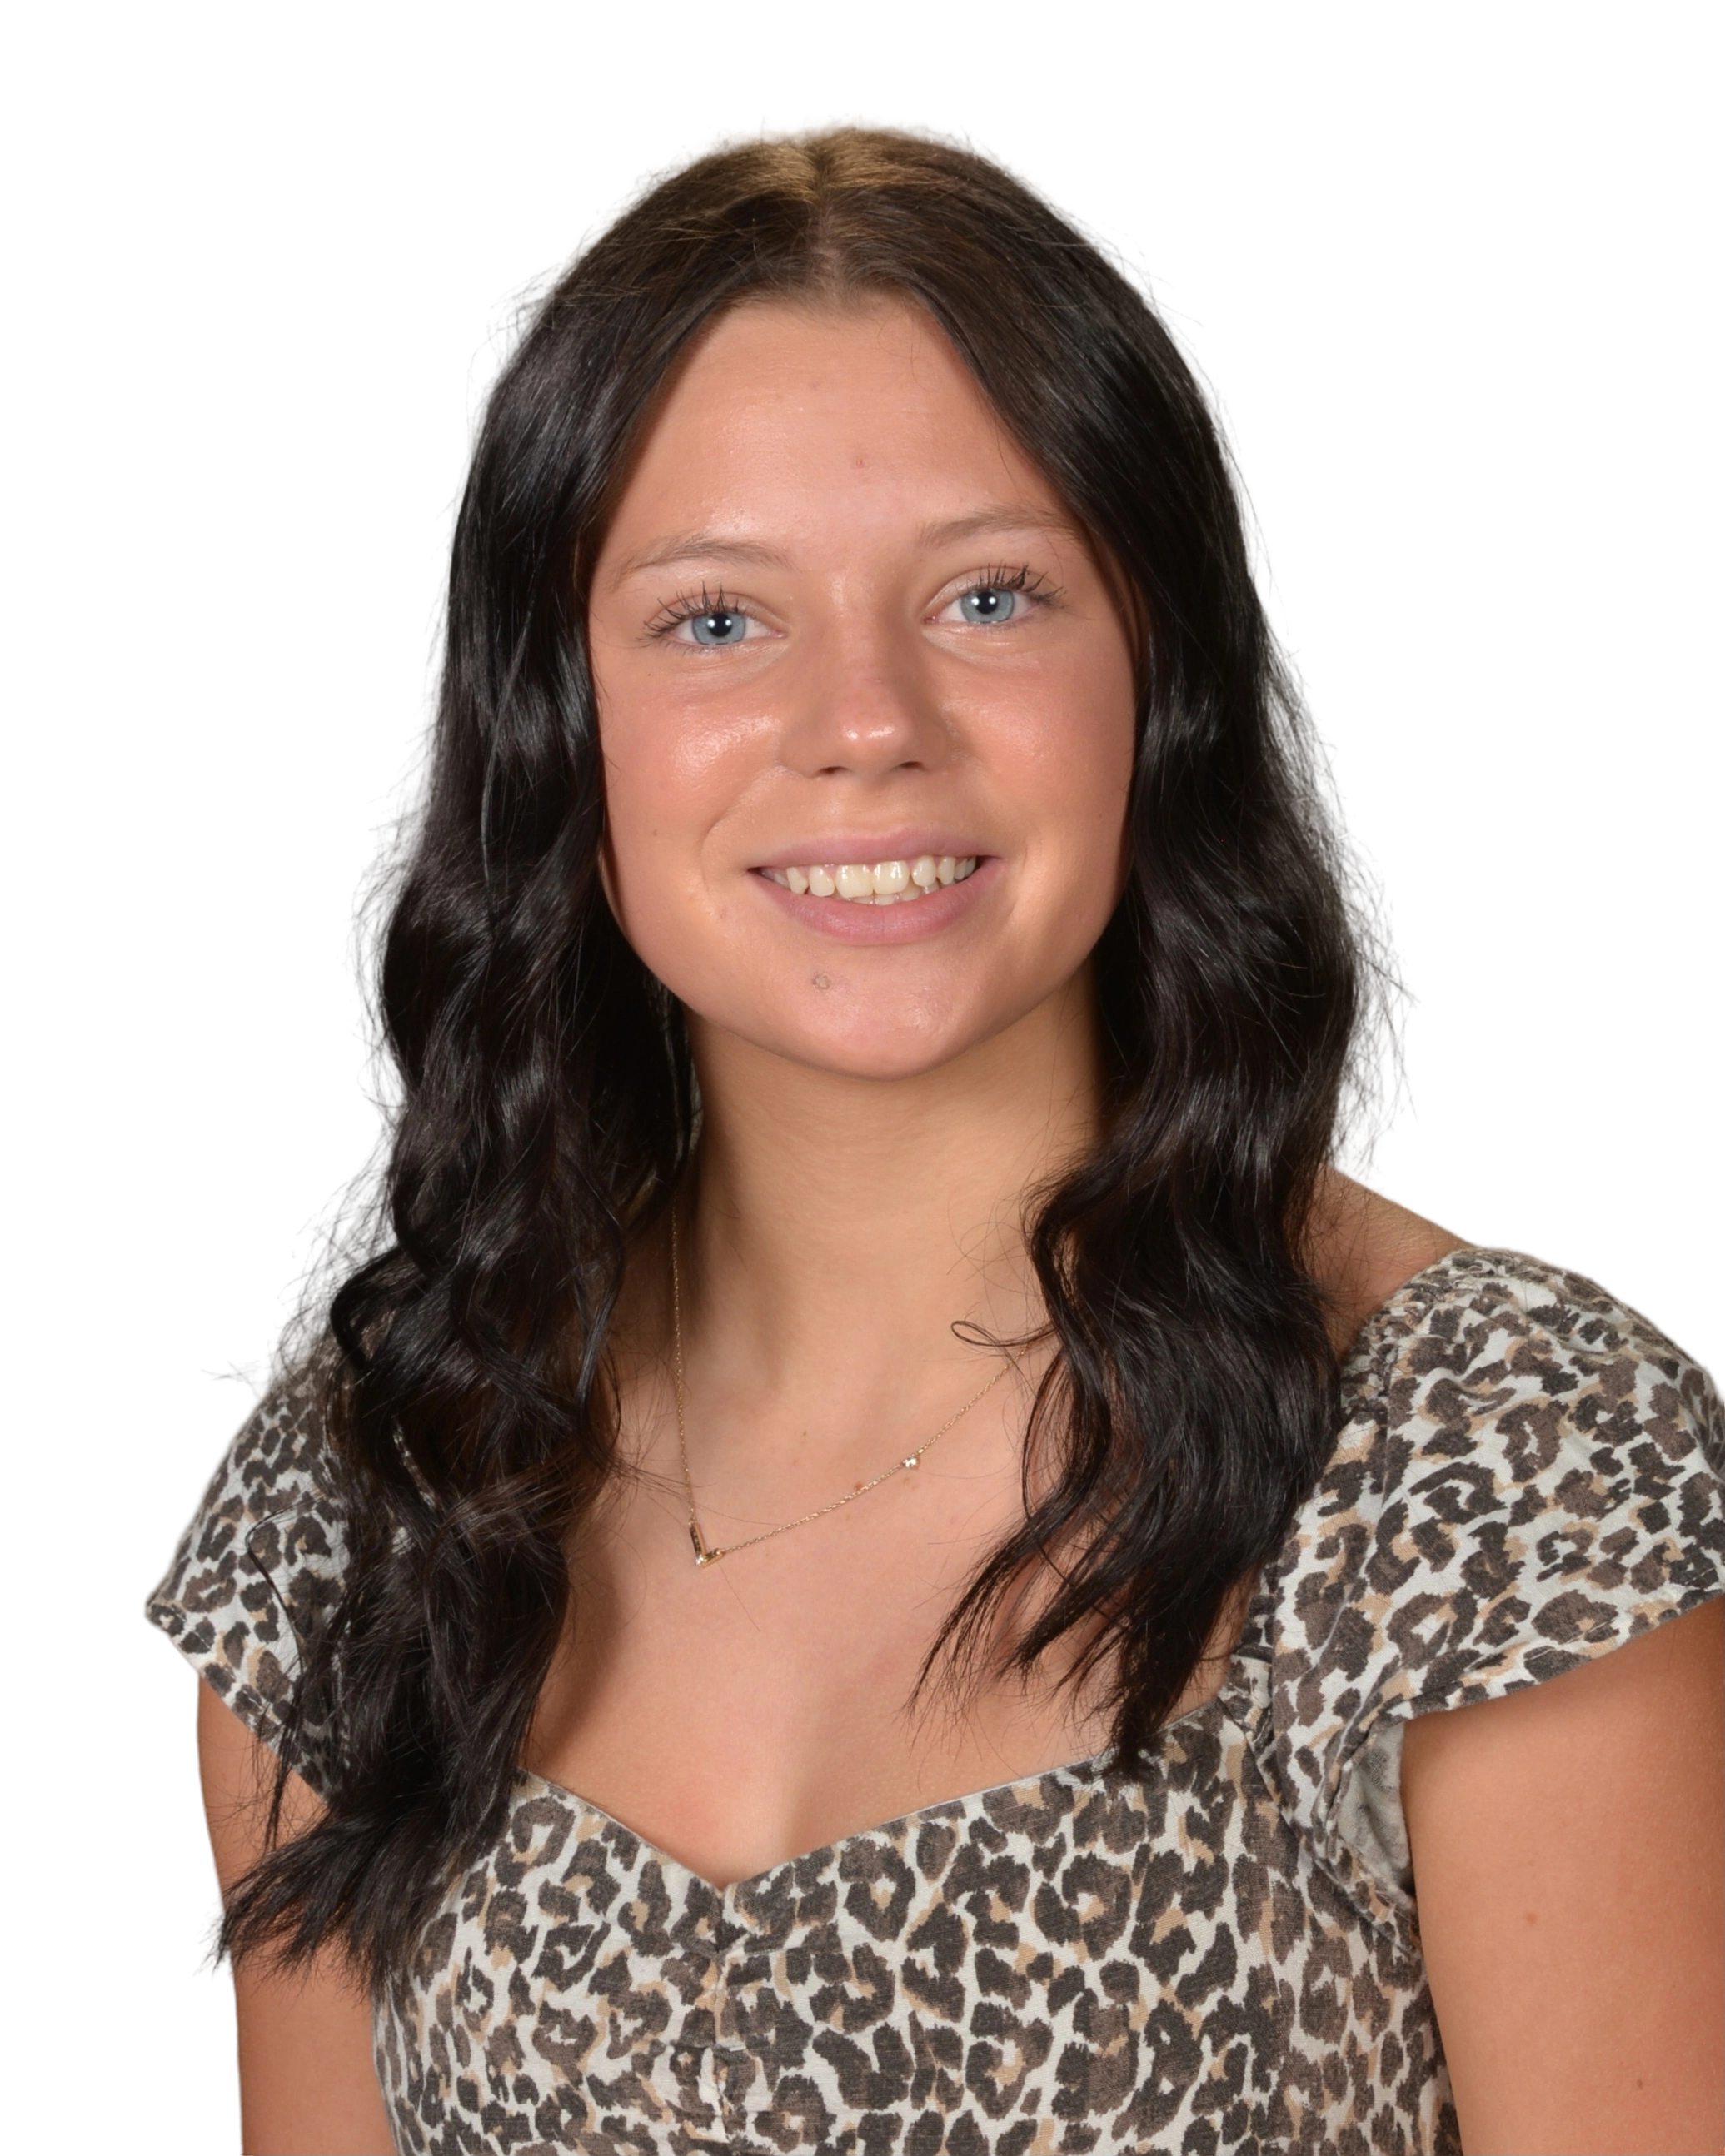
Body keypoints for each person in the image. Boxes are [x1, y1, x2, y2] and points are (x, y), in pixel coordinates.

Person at [142, 111, 1724, 2156]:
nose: (868, 720)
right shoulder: (359, 1511)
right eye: (719, 619)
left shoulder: (1501, 1458)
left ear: (1158, 673)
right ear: (560, 728)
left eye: (991, 593)